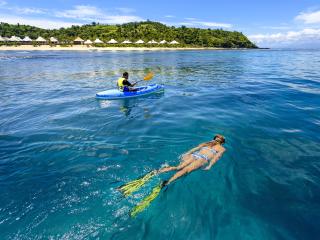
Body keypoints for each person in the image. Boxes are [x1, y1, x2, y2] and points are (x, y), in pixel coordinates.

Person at [158, 134, 226, 187]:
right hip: (199, 158)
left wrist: (187, 153)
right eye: (216, 139)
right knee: (183, 170)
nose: (216, 141)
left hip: (198, 157)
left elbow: (216, 157)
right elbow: (215, 157)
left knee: (179, 168)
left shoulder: (215, 146)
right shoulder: (215, 146)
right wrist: (187, 153)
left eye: (217, 140)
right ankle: (167, 182)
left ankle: (159, 173)